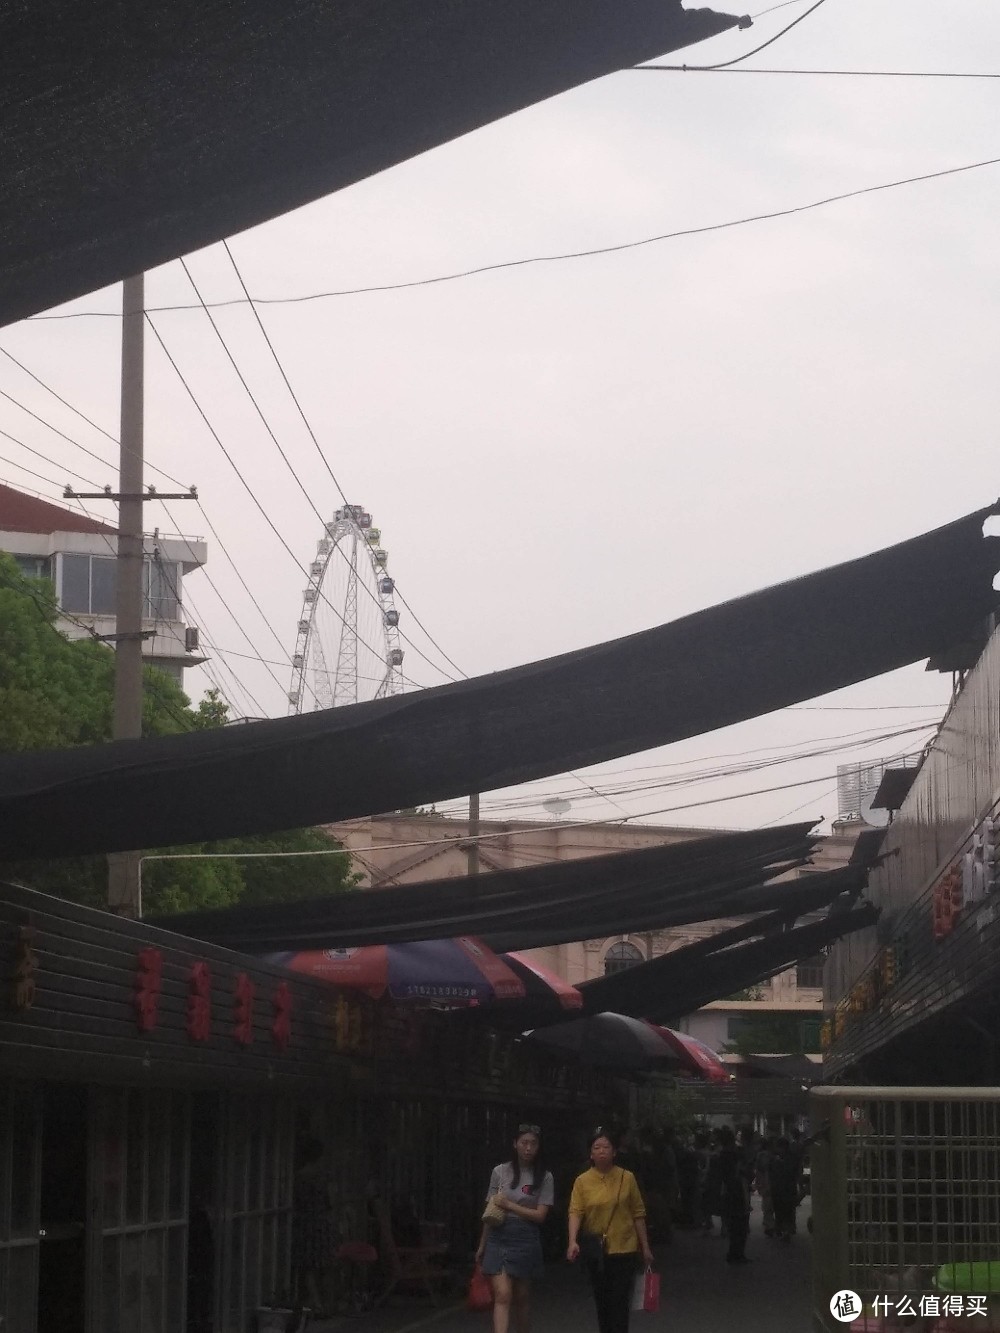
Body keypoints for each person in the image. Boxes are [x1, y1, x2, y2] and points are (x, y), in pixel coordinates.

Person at [567, 1129, 655, 1333]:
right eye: (596, 1148)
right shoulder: (582, 1181)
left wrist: (646, 1247)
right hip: (597, 1251)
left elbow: (638, 1213)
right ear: (590, 1154)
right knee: (602, 1299)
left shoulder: (627, 1178)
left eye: (606, 1147)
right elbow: (576, 1211)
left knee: (620, 1301)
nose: (601, 1151)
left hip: (624, 1248)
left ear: (614, 1152)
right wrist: (573, 1241)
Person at [476, 1123, 554, 1333]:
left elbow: (540, 1216)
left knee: (522, 1296)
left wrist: (511, 1206)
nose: (528, 1148)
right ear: (515, 1144)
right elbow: (490, 1212)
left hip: (526, 1237)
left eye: (533, 1144)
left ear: (539, 1147)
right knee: (502, 1294)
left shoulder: (545, 1177)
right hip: (499, 1235)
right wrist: (482, 1245)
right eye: (524, 1143)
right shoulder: (499, 1172)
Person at [292, 1136, 339, 1316]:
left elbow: (296, 1201)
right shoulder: (326, 1177)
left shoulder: (299, 1177)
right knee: (327, 1265)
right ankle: (329, 1304)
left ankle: (317, 1304)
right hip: (323, 1222)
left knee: (309, 1266)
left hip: (306, 1223)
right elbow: (332, 1201)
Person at [716, 1126, 751, 1264]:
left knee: (734, 1225)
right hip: (737, 1192)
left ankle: (734, 1253)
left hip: (729, 1192)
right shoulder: (734, 1155)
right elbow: (742, 1171)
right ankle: (737, 1254)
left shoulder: (722, 1155)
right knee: (740, 1225)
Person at [767, 1137, 800, 1242]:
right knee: (782, 1210)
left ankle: (785, 1230)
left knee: (785, 1210)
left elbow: (790, 1172)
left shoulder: (785, 1159)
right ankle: (783, 1229)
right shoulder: (782, 1158)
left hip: (784, 1188)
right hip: (782, 1189)